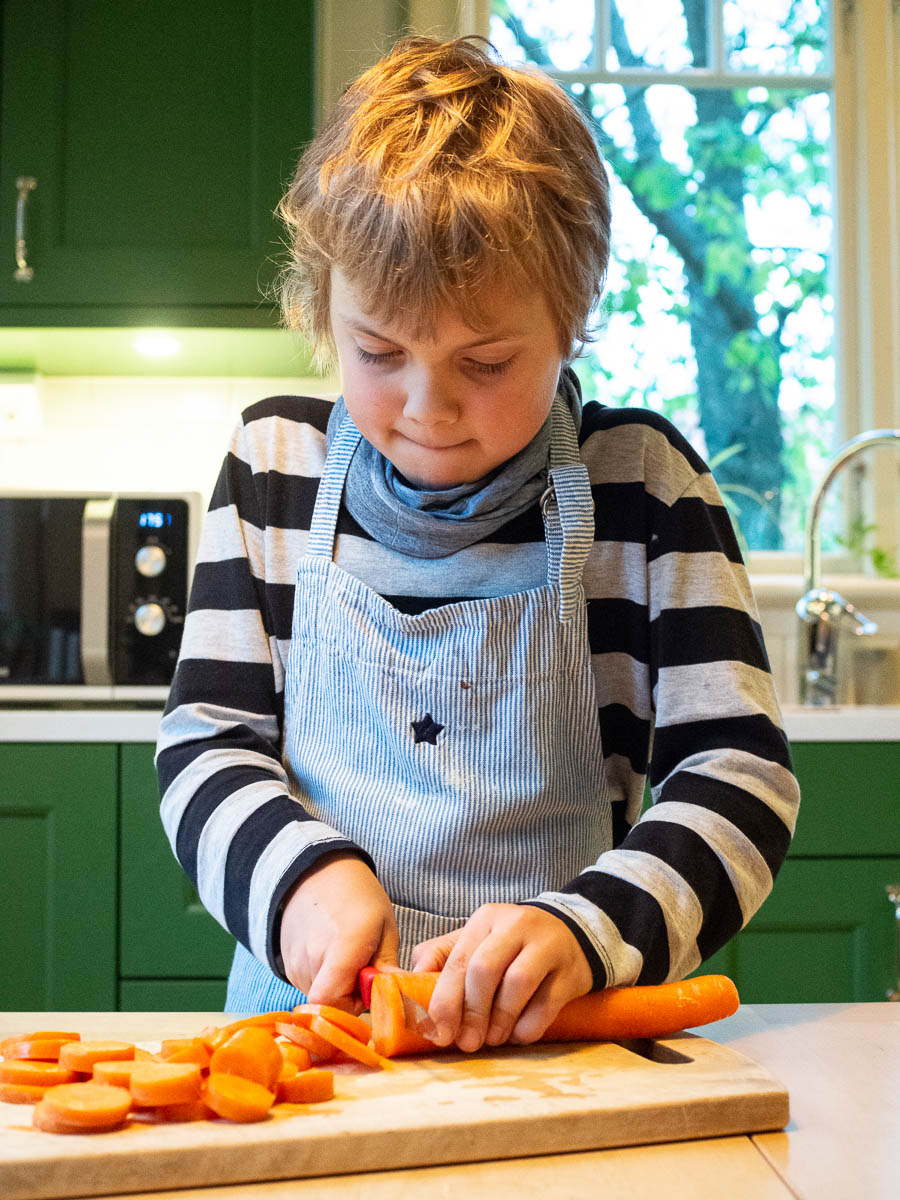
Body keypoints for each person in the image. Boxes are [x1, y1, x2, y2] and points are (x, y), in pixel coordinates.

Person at [156, 35, 800, 1053]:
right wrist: (299, 881)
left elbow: (738, 776)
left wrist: (586, 932)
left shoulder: (643, 489)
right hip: (303, 1042)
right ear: (324, 309)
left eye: (487, 361)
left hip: (560, 1047)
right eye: (378, 352)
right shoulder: (273, 468)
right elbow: (207, 744)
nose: (429, 407)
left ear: (571, 319)